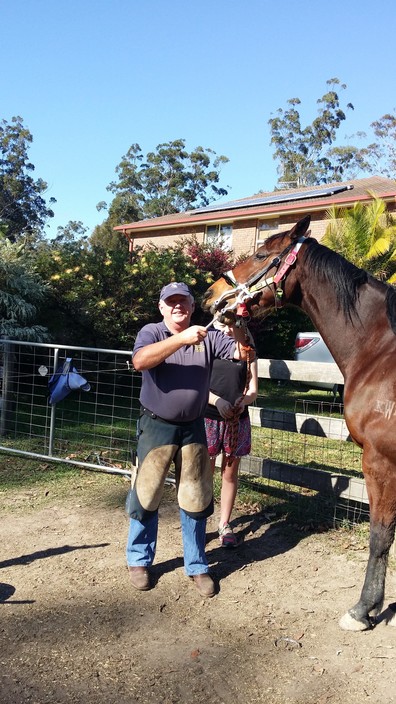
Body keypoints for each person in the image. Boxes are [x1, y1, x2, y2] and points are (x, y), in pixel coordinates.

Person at [126, 282, 251, 598]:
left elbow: (240, 353)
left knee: (196, 499)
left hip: (194, 426)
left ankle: (197, 566)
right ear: (162, 307)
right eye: (172, 301)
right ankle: (139, 561)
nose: (178, 305)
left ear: (193, 307)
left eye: (184, 301)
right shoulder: (152, 332)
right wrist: (181, 339)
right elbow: (140, 361)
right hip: (156, 427)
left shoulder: (207, 338)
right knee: (146, 494)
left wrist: (235, 321)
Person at [204, 312, 258, 548]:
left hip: (236, 422)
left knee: (229, 474)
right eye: (220, 323)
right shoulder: (207, 346)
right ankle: (199, 519)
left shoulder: (248, 352)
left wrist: (241, 403)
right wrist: (217, 401)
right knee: (203, 472)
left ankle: (224, 524)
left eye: (231, 324)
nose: (226, 329)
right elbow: (198, 385)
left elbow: (253, 390)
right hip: (208, 419)